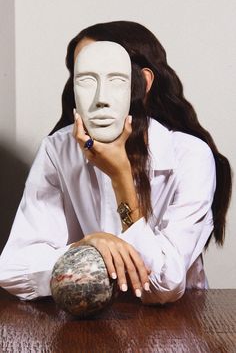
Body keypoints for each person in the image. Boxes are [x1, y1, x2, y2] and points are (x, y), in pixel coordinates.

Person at [0, 21, 232, 304]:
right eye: (85, 78)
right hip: (87, 326)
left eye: (115, 79)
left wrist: (121, 177)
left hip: (176, 325)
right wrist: (86, 248)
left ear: (142, 84)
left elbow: (163, 286)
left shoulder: (190, 156)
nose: (100, 99)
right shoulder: (58, 149)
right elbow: (11, 269)